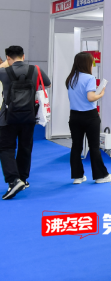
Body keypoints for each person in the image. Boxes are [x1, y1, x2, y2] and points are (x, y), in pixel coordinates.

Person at [0, 46, 51, 200]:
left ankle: (14, 180)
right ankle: (22, 178)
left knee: (6, 148)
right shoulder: (35, 70)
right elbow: (47, 84)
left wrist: (4, 65)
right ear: (23, 56)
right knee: (25, 147)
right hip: (29, 116)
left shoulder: (4, 72)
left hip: (7, 118)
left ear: (8, 58)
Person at [65, 51, 110, 184]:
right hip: (90, 116)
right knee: (94, 146)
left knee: (76, 146)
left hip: (74, 116)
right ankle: (100, 176)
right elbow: (90, 97)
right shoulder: (89, 78)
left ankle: (77, 176)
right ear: (87, 63)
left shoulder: (71, 78)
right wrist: (101, 94)